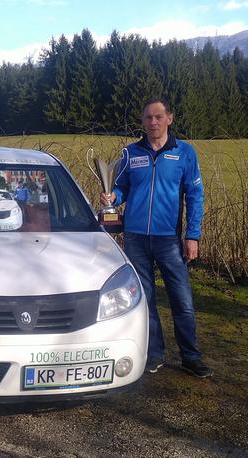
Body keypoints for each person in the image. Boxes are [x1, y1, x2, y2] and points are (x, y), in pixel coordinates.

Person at [100, 98, 212, 378]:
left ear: (169, 119)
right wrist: (113, 197)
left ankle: (190, 356)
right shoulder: (130, 153)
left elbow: (195, 195)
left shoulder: (184, 153)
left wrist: (193, 236)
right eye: (148, 117)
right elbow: (122, 187)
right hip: (136, 239)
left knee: (182, 301)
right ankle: (154, 353)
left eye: (158, 117)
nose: (153, 122)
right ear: (143, 121)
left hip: (169, 240)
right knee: (145, 300)